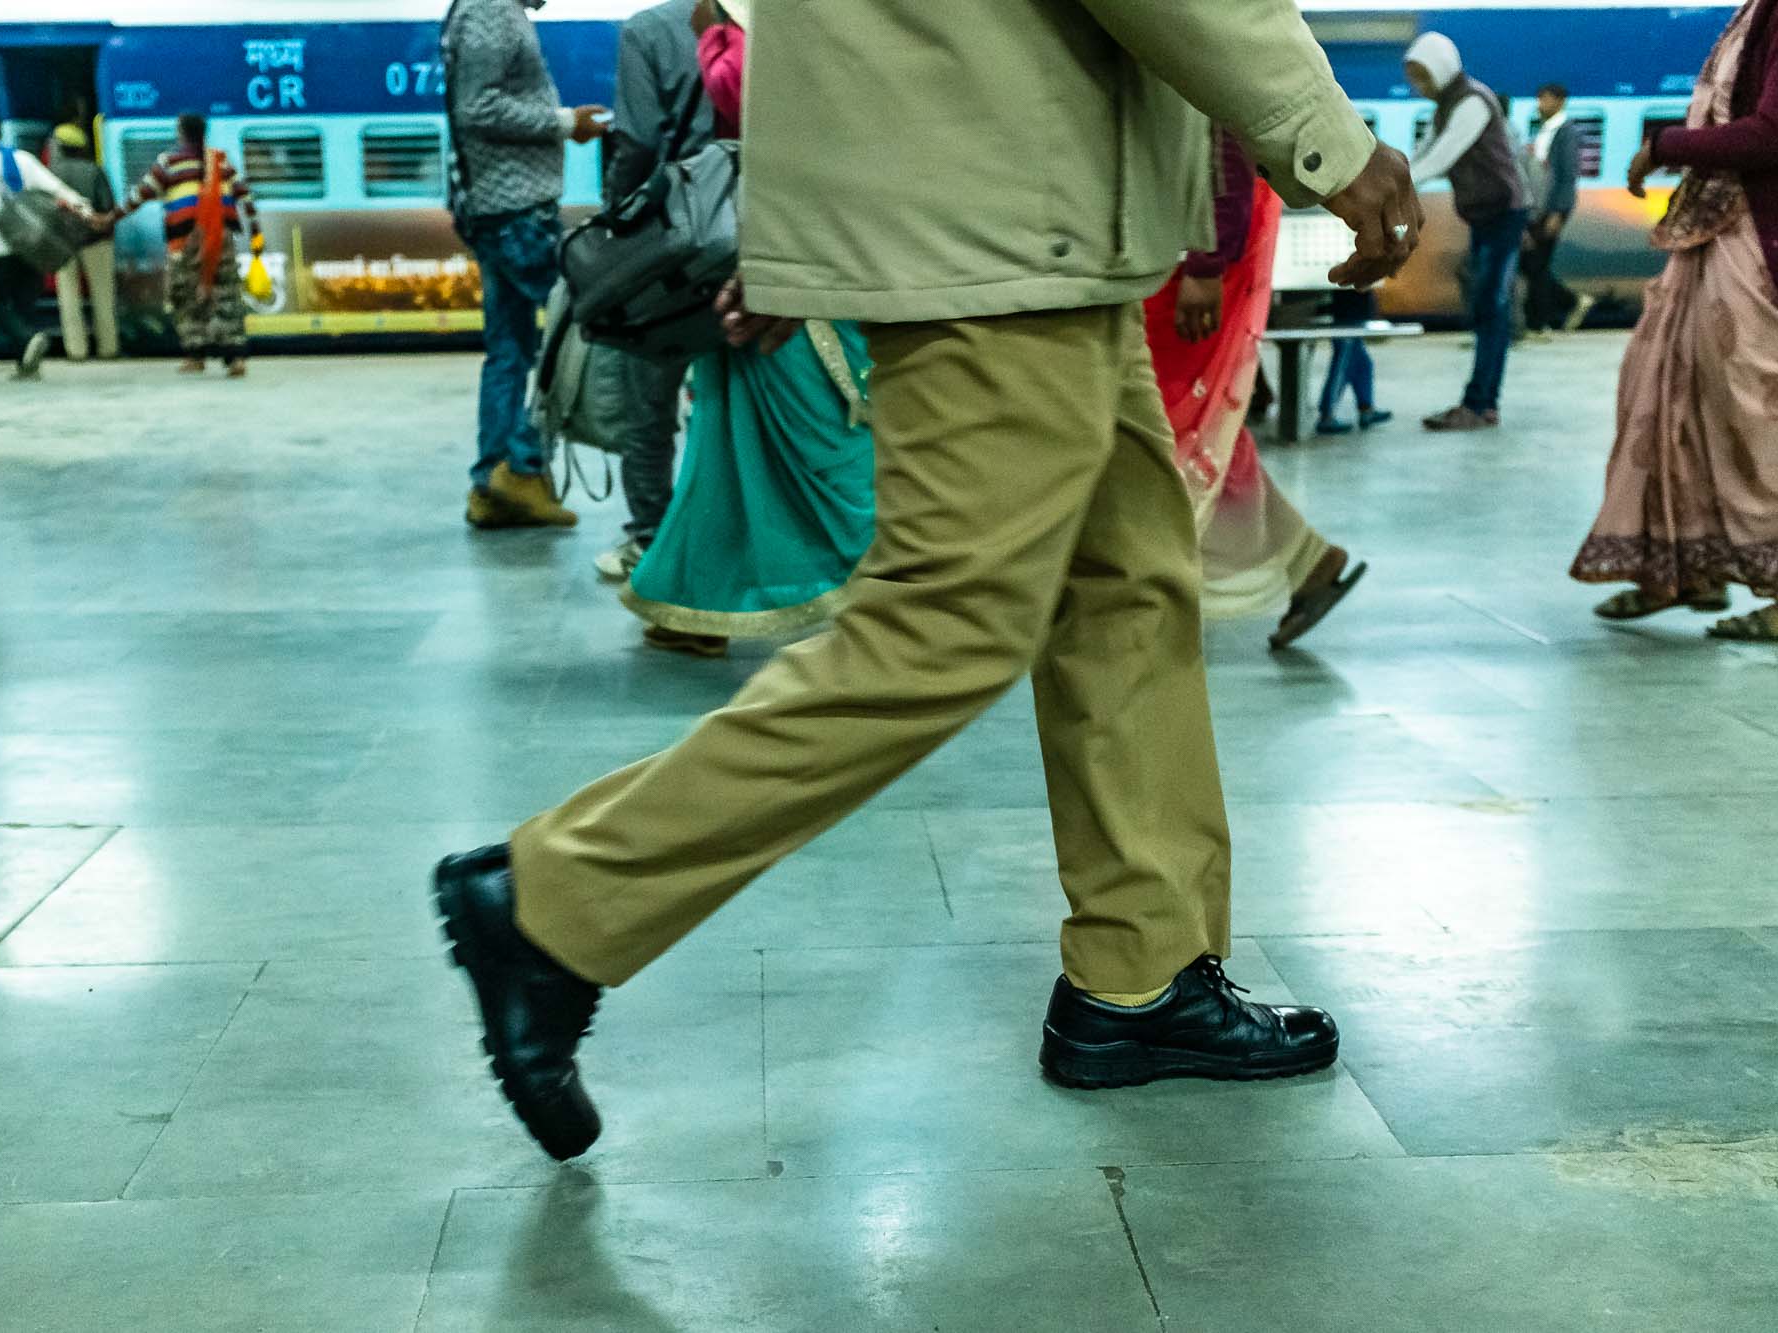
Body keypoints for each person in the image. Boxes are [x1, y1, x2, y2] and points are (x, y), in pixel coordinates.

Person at [430, 0, 1421, 1164]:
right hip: (997, 206)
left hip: (1013, 201)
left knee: (1125, 592)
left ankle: (1140, 972)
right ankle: (554, 904)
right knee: (944, 626)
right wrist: (1325, 140)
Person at [620, 0, 876, 659]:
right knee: (729, 427)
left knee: (817, 428)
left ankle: (894, 581)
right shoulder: (719, 19)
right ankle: (696, 601)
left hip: (802, 240)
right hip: (753, 240)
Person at [1572, 0, 1778, 642]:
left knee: (1759, 417)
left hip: (1758, 243)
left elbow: (1776, 132)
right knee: (1670, 400)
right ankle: (1681, 569)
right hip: (1720, 236)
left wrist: (1665, 145)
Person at [1149, 131, 1367, 650]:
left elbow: (1223, 132)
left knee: (1171, 423)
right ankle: (1309, 559)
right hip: (1180, 250)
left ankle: (1146, 584)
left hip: (1191, 258)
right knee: (1186, 425)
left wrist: (1207, 262)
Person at [443, 0, 610, 530]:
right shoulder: (492, 10)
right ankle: (520, 466)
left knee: (510, 349)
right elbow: (479, 108)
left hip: (499, 210)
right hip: (517, 214)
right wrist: (564, 123)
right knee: (577, 329)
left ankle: (495, 481)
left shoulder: (480, 9)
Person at [590, 0, 718, 581]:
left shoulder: (648, 31)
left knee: (649, 400)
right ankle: (728, 538)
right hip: (756, 236)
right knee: (733, 400)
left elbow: (637, 142)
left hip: (674, 247)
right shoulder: (777, 21)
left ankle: (653, 539)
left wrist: (616, 219)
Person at [1405, 34, 1533, 432]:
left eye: (1423, 77)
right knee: (1485, 306)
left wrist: (1397, 186)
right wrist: (1389, 176)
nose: (1418, 88)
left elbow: (1443, 156)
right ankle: (1479, 402)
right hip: (1484, 216)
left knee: (1492, 307)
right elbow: (1422, 152)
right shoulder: (1445, 106)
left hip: (1505, 213)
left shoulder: (1473, 102)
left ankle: (1480, 405)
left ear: (1441, 68)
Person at [0, 114, 92, 380]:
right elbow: (55, 187)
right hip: (30, 248)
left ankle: (28, 340)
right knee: (24, 306)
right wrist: (84, 207)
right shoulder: (23, 159)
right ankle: (26, 364)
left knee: (0, 308)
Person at [112, 113, 258, 378]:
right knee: (226, 294)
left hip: (183, 243)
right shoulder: (221, 161)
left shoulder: (169, 163)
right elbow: (244, 195)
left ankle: (195, 354)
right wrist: (256, 233)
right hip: (220, 240)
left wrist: (111, 217)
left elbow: (140, 194)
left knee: (184, 297)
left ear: (181, 133)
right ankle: (235, 357)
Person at [1521, 84, 1597, 337]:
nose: (1540, 104)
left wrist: (1557, 212)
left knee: (1537, 264)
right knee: (1533, 264)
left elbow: (1567, 176)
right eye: (1539, 98)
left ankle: (1539, 323)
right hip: (1538, 209)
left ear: (1560, 101)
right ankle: (1570, 302)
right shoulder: (1546, 131)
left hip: (1551, 210)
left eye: (1545, 99)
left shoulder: (1566, 133)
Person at [46, 125, 120, 363]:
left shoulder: (50, 173)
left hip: (62, 243)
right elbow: (107, 205)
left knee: (68, 298)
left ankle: (76, 351)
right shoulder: (94, 171)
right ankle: (108, 348)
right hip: (95, 241)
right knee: (103, 295)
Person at [1314, 289, 1392, 434]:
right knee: (1342, 366)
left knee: (1364, 364)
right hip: (1346, 312)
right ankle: (1326, 416)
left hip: (1354, 311)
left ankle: (1366, 409)